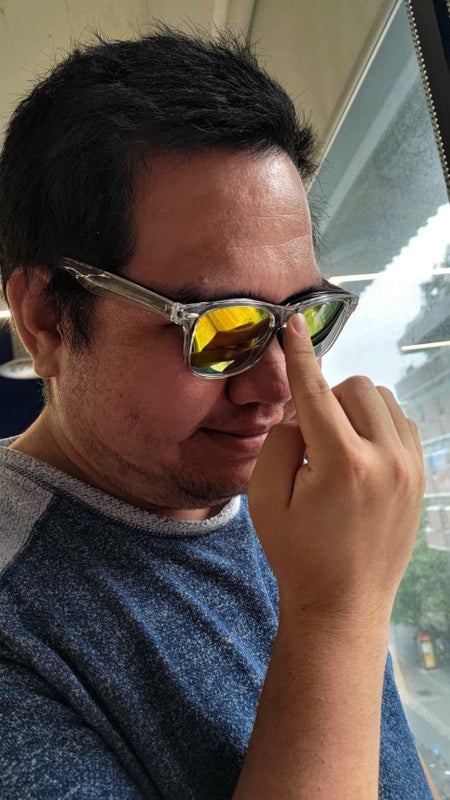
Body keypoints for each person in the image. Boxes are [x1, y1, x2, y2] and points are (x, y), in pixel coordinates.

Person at [0, 26, 437, 800]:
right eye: (218, 327)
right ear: (45, 321)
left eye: (302, 316)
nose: (277, 386)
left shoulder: (307, 505)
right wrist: (339, 613)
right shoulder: (20, 619)